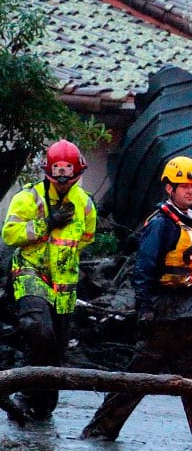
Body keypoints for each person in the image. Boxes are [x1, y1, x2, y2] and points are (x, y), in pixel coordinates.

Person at [80, 156, 192, 447]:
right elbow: (143, 270)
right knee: (137, 379)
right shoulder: (161, 224)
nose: (190, 192)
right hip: (164, 315)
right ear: (169, 189)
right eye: (183, 186)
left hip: (191, 316)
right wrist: (144, 310)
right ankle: (98, 432)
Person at [2, 139, 96, 422]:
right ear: (49, 173)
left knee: (56, 347)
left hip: (64, 283)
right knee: (38, 330)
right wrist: (46, 224)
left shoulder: (85, 203)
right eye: (59, 174)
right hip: (30, 272)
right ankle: (21, 393)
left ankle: (42, 407)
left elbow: (86, 238)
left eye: (69, 174)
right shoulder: (29, 198)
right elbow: (10, 234)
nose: (64, 181)